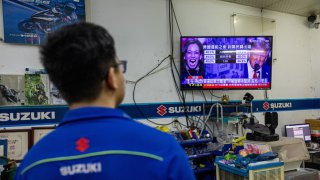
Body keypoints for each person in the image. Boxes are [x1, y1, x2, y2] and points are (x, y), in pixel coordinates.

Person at [15, 23, 195, 180]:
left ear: (60, 86)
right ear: (111, 77)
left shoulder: (33, 164)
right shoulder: (163, 151)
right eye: (119, 67)